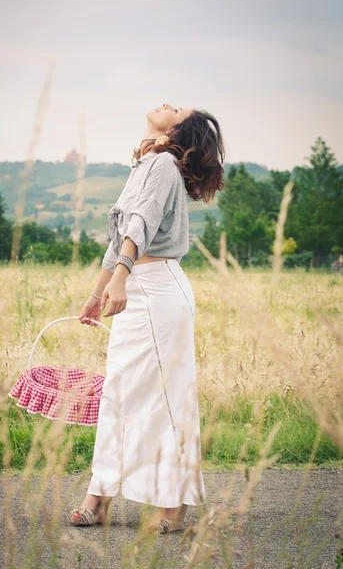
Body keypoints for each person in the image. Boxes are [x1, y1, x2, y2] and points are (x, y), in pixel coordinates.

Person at [69, 102, 225, 533]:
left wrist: (120, 280)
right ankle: (97, 501)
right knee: (119, 394)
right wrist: (97, 292)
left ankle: (173, 510)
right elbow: (120, 234)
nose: (165, 104)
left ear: (177, 130)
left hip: (157, 291)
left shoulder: (162, 164)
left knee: (165, 400)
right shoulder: (145, 163)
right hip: (136, 288)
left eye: (175, 108)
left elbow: (142, 222)